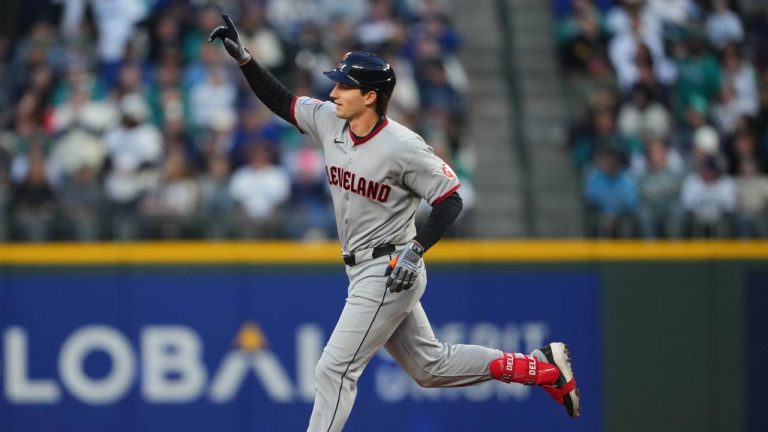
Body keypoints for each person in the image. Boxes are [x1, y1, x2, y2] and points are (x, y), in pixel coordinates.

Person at [209, 15, 580, 431]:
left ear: (370, 96)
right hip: (361, 266)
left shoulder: (403, 147)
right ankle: (540, 368)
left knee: (334, 369)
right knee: (430, 367)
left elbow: (450, 199)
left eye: (344, 85)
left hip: (389, 269)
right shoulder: (331, 120)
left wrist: (416, 250)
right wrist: (244, 59)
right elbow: (283, 101)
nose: (334, 91)